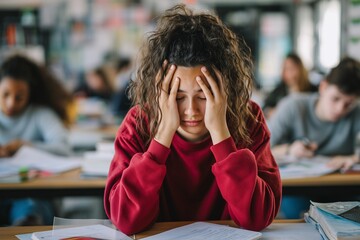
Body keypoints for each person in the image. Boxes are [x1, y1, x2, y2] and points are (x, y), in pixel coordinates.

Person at [104, 4, 281, 235]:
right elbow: (126, 220)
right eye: (178, 97)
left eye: (203, 96)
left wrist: (220, 132)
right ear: (159, 91)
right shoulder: (138, 123)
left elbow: (257, 218)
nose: (191, 111)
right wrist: (163, 136)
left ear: (225, 88)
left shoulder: (248, 119)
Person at [268, 57, 360, 219]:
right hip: (299, 189)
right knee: (294, 210)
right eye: (336, 99)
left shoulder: (356, 112)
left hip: (342, 188)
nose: (340, 109)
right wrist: (290, 149)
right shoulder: (293, 106)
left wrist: (354, 158)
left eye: (348, 103)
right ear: (323, 87)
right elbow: (259, 151)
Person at [0, 54, 73, 226]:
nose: (11, 103)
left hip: (33, 196)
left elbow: (64, 148)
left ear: (30, 94)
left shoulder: (40, 114)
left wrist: (27, 146)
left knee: (30, 211)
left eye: (19, 97)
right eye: (5, 95)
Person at [263, 53, 318, 118]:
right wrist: (271, 112)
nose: (287, 72)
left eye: (291, 68)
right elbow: (264, 108)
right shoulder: (279, 90)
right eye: (285, 68)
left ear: (300, 69)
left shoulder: (313, 90)